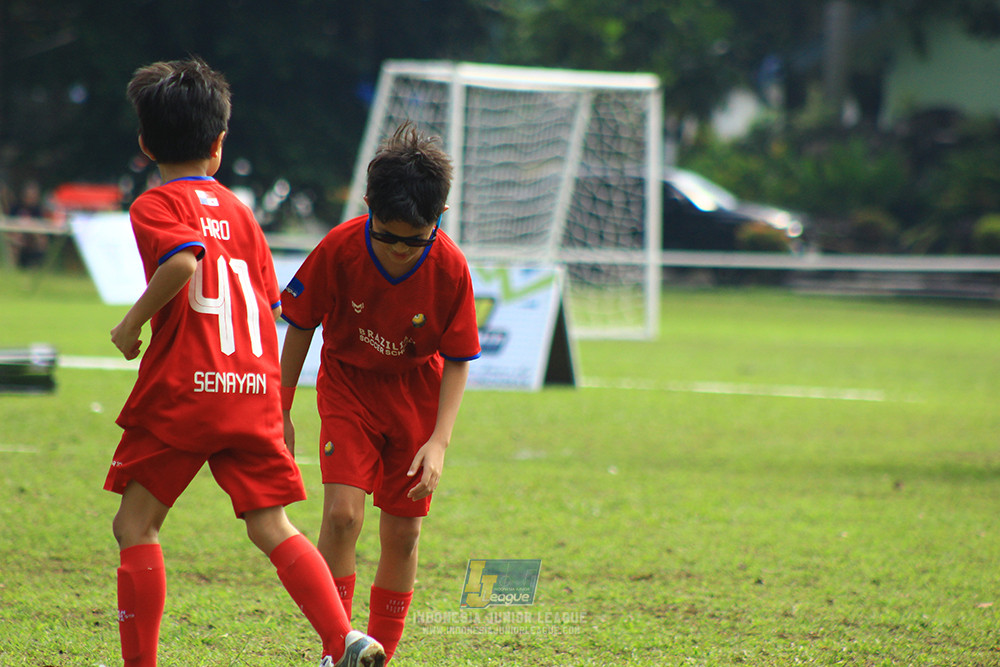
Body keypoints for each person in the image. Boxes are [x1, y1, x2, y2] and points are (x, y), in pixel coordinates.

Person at [104, 57, 385, 667]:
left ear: (147, 142)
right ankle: (344, 639)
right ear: (219, 144)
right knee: (271, 525)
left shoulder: (155, 205)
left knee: (136, 525)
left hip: (185, 389)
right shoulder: (242, 214)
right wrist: (271, 402)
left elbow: (181, 263)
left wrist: (131, 326)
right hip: (249, 387)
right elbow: (264, 306)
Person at [279, 122, 481, 663]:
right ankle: (337, 646)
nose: (397, 249)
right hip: (348, 385)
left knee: (404, 534)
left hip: (417, 396)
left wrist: (438, 442)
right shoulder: (341, 248)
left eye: (413, 239)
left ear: (438, 219)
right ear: (367, 207)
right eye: (385, 234)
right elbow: (300, 323)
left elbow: (459, 358)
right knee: (342, 515)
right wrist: (281, 408)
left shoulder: (451, 268)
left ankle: (379, 655)